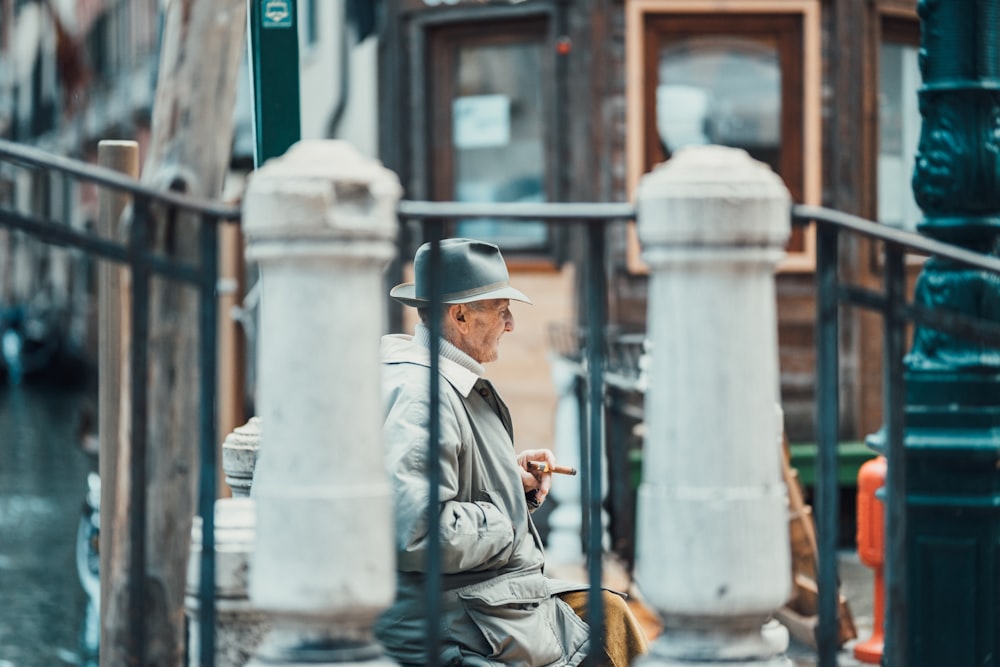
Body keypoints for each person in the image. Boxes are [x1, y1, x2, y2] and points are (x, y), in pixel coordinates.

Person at [375, 238, 649, 667]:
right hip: (459, 628)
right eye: (502, 310)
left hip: (484, 608)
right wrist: (506, 515)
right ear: (460, 315)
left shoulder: (445, 381)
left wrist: (508, 483)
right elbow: (417, 530)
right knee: (609, 626)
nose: (511, 325)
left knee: (611, 613)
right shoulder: (422, 397)